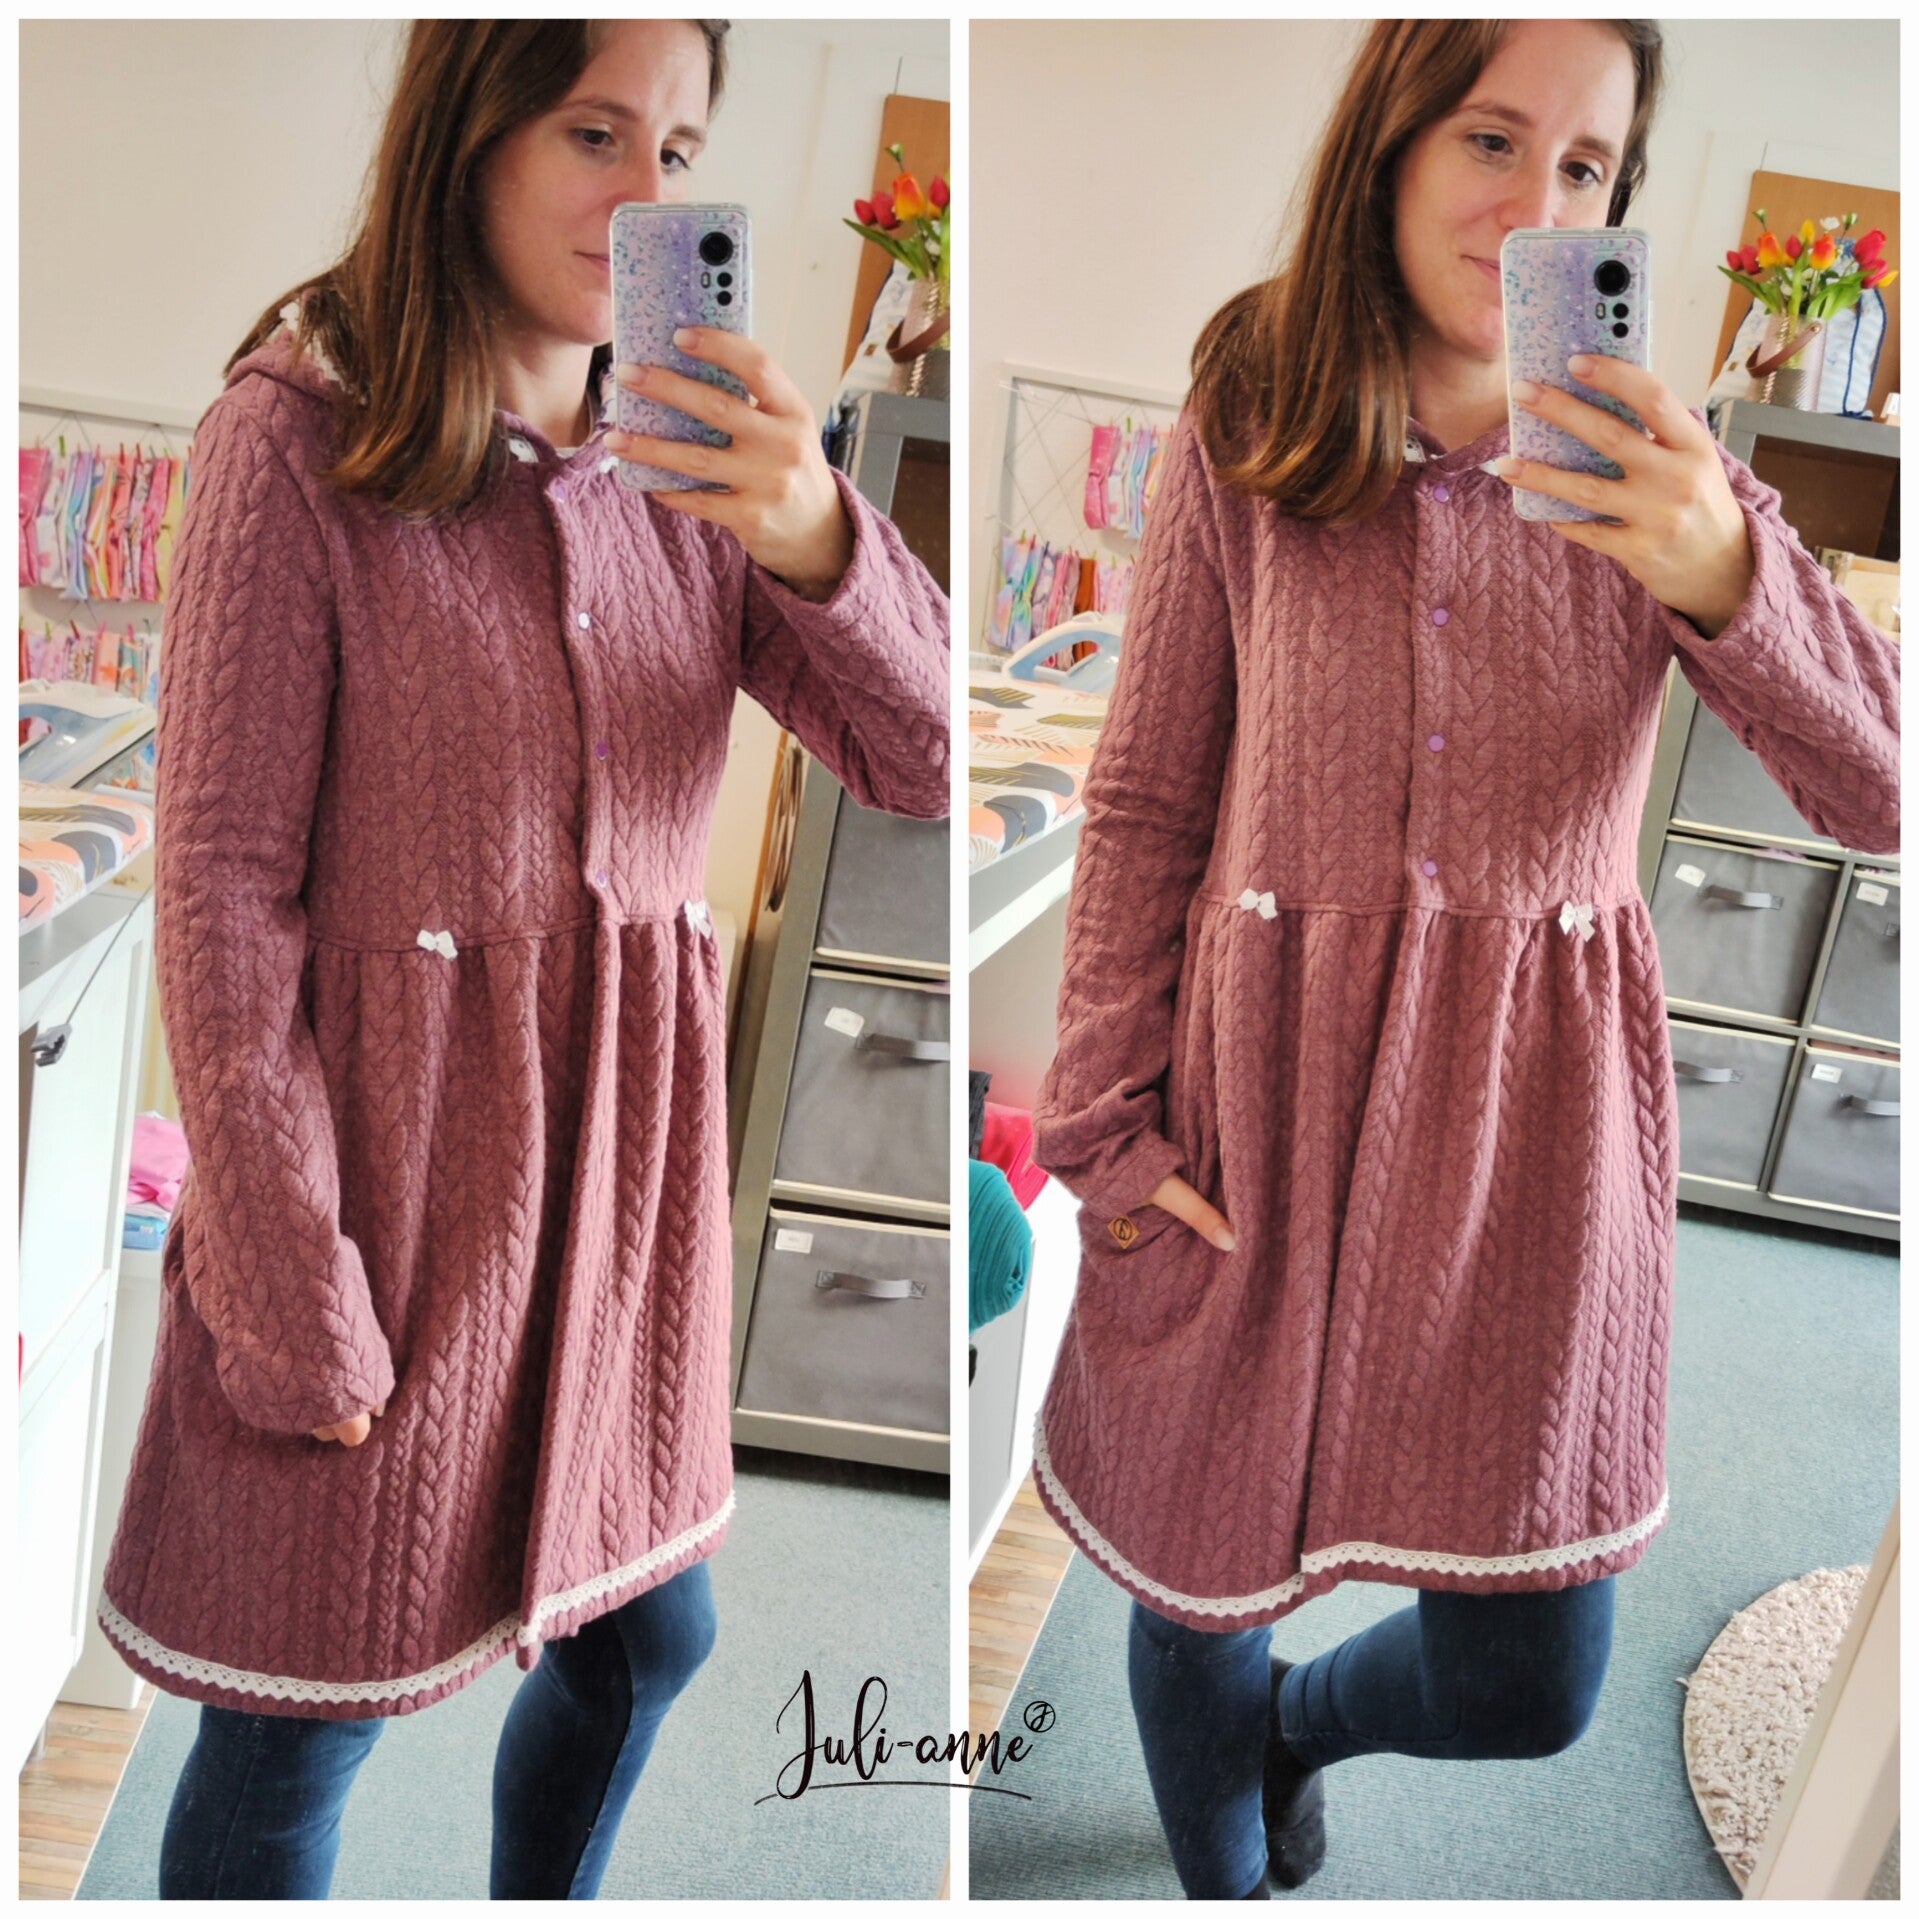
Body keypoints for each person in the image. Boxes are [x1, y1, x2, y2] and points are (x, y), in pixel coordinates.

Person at [1026, 18, 1897, 1900]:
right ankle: (1229, 1873)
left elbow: (1884, 785)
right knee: (1204, 1583)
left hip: (1534, 1138)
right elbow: (1152, 789)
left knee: (1533, 1676)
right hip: (1257, 1103)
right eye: (1493, 140)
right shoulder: (1256, 400)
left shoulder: (1655, 455)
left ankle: (1298, 1732)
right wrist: (1101, 1118)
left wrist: (1723, 572)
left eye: (1584, 169)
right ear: (1395, 141)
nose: (1532, 207)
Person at [94, 19, 950, 1900]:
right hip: (381, 1200)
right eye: (592, 132)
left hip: (620, 1206)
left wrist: (813, 524)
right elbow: (223, 896)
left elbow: (925, 757)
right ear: (470, 133)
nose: (647, 192)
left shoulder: (699, 454)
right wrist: (284, 1286)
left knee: (651, 1637)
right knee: (300, 1713)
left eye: (681, 147)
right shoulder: (295, 440)